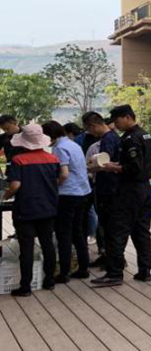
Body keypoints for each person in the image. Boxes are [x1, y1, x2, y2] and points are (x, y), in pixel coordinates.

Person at [91, 104, 151, 288]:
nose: (115, 125)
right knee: (141, 231)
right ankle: (145, 270)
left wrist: (113, 167)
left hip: (129, 190)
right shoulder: (145, 134)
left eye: (117, 121)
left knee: (116, 231)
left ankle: (114, 273)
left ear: (127, 117)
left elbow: (134, 168)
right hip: (145, 189)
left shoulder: (130, 139)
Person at [1, 124, 59, 296]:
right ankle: (49, 280)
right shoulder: (52, 158)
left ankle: (25, 286)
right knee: (47, 244)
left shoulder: (19, 160)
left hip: (25, 208)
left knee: (26, 248)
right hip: (48, 207)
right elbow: (61, 176)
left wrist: (6, 195)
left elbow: (15, 185)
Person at [42, 121, 92, 283]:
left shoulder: (59, 148)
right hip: (83, 192)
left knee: (64, 234)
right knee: (78, 232)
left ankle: (64, 273)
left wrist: (52, 185)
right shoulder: (73, 144)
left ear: (50, 135)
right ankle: (83, 268)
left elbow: (63, 174)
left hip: (68, 194)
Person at [82, 111, 120, 270]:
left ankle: (114, 262)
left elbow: (106, 164)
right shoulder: (110, 138)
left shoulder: (109, 139)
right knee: (105, 225)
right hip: (106, 187)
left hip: (108, 189)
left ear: (93, 126)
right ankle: (108, 257)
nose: (90, 133)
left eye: (89, 129)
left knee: (109, 227)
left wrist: (91, 167)